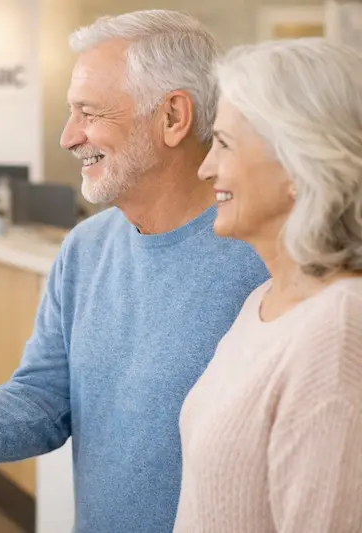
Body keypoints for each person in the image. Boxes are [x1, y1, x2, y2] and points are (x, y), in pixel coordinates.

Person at [0, 10, 270, 533]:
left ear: (173, 117)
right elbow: (45, 398)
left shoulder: (265, 258)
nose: (67, 137)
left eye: (88, 112)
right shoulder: (86, 248)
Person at [173, 38, 362, 533]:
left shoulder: (337, 330)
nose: (205, 167)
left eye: (225, 143)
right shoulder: (264, 301)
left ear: (300, 164)